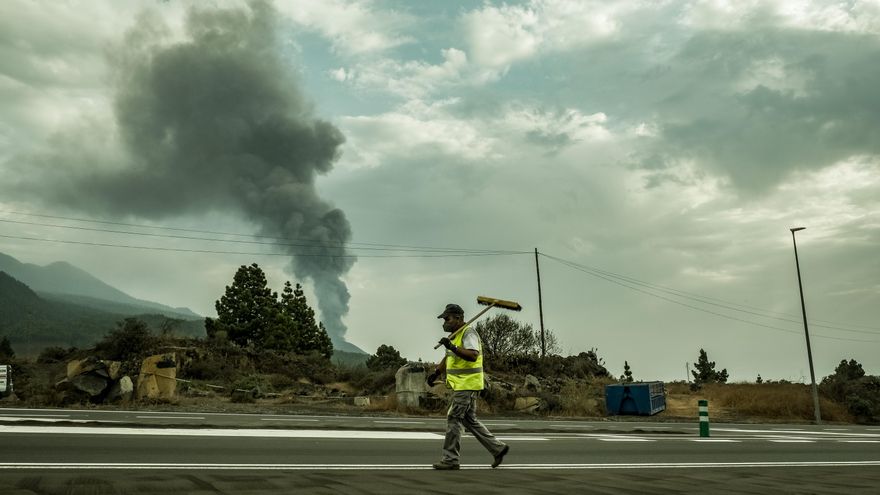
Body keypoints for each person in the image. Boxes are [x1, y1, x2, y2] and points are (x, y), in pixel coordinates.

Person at [426, 303, 509, 470]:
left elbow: (473, 355)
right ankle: (498, 448)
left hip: (467, 384)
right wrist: (436, 373)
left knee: (454, 418)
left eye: (447, 318)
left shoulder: (468, 333)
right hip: (462, 385)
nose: (444, 322)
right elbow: (449, 357)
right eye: (444, 319)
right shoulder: (454, 336)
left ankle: (450, 459)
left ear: (458, 318)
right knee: (469, 420)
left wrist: (453, 347)